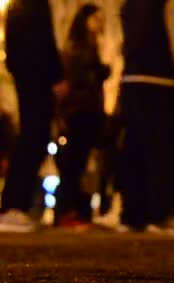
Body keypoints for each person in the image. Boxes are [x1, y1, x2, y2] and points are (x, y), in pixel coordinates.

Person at [119, 0, 174, 232]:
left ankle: (133, 215)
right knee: (166, 150)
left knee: (135, 149)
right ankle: (160, 214)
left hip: (131, 79)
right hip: (160, 81)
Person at [0, 0, 68, 232]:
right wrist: (56, 75)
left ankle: (15, 206)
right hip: (36, 76)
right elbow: (43, 39)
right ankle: (14, 206)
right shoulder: (32, 6)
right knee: (34, 137)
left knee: (33, 137)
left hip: (27, 73)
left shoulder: (18, 8)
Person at [54, 4, 110, 228]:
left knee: (81, 164)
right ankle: (68, 211)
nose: (100, 23)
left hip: (88, 111)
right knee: (73, 164)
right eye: (96, 19)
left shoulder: (91, 45)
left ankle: (77, 211)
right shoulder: (78, 47)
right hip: (79, 112)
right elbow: (79, 77)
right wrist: (100, 72)